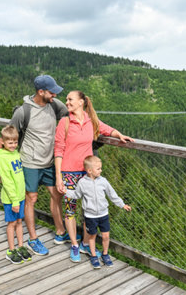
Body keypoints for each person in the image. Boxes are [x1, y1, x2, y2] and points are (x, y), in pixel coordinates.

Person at [0, 75, 70, 256]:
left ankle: (60, 231)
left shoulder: (55, 105)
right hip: (29, 163)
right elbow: (5, 137)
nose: (55, 95)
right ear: (40, 92)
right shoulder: (23, 111)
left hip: (50, 161)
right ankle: (33, 239)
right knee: (31, 198)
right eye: (51, 92)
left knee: (56, 194)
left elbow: (72, 116)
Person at [54, 90, 133, 262]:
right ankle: (74, 245)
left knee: (88, 208)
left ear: (81, 102)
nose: (66, 102)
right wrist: (59, 176)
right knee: (70, 209)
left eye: (70, 99)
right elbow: (58, 150)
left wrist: (118, 134)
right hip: (69, 173)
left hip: (87, 172)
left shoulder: (91, 121)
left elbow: (106, 129)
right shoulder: (64, 122)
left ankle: (84, 242)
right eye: (66, 100)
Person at [63, 155, 131, 269]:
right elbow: (76, 195)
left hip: (103, 214)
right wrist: (65, 191)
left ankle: (105, 254)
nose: (101, 170)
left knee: (106, 236)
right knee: (92, 236)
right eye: (98, 168)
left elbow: (112, 194)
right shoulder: (82, 183)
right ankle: (93, 256)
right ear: (89, 170)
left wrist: (122, 204)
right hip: (90, 216)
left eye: (100, 168)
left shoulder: (103, 181)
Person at [0, 125, 32, 264]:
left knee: (19, 222)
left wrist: (20, 197)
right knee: (12, 223)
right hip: (11, 199)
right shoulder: (3, 158)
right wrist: (14, 201)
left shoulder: (16, 154)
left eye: (15, 142)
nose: (13, 145)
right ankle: (11, 250)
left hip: (20, 196)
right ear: (3, 142)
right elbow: (7, 182)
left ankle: (21, 246)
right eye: (10, 142)